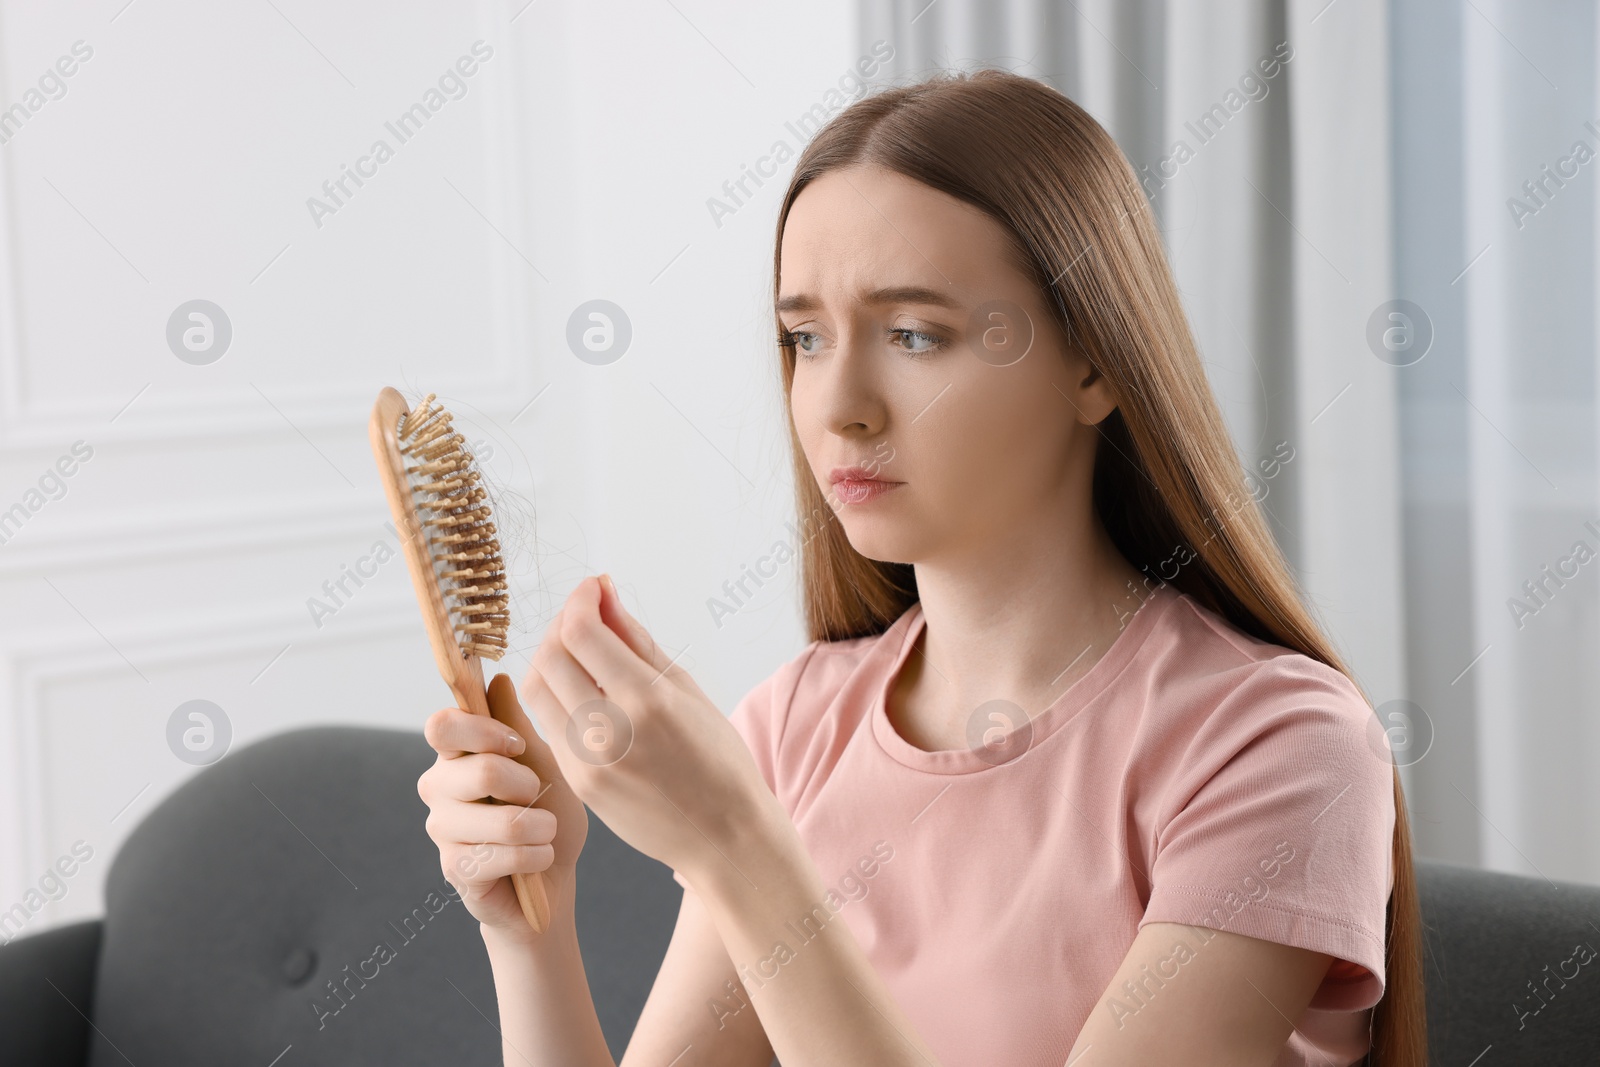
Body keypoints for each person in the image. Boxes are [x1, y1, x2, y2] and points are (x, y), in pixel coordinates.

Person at [416, 68, 1426, 1067]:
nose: (839, 404)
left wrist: (742, 847)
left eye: (912, 334)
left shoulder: (1278, 747)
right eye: (804, 336)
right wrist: (528, 932)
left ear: (1093, 363)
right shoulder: (794, 725)